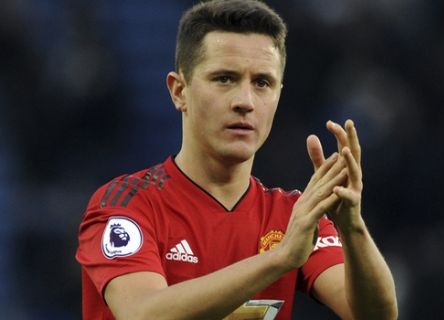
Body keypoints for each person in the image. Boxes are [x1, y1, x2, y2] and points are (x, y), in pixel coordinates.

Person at [75, 0, 398, 319]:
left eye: (262, 83)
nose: (245, 101)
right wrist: (280, 258)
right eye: (224, 79)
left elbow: (375, 316)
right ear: (179, 91)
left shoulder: (291, 217)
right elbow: (142, 314)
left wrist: (352, 227)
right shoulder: (126, 205)